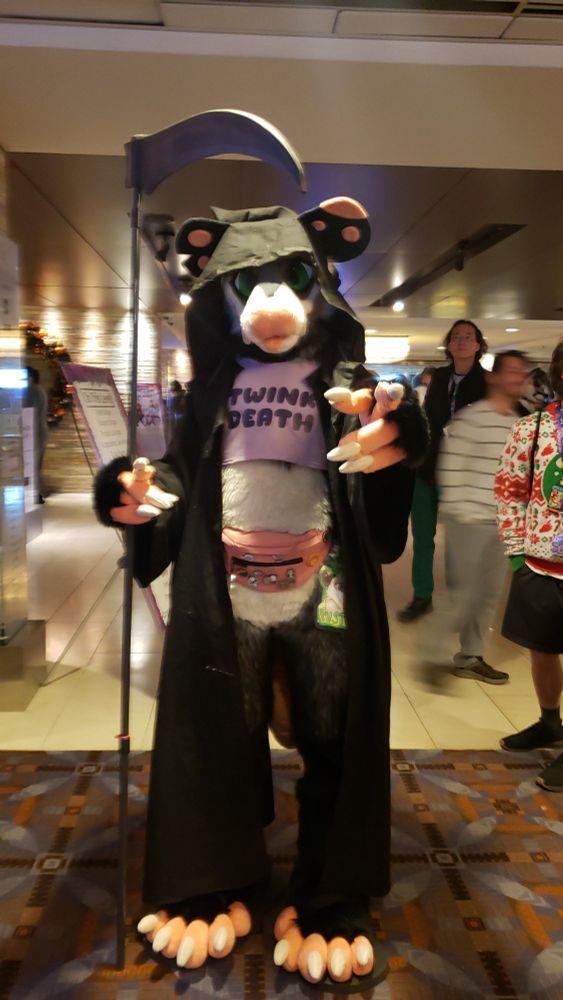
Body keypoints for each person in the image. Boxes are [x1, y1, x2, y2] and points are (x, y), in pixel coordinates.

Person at [431, 350, 529, 682]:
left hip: (501, 523)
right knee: (463, 594)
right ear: (493, 376)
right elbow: (451, 467)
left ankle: (470, 657)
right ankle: (426, 654)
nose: (517, 377)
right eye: (511, 371)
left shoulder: (518, 425)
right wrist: (458, 512)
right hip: (469, 520)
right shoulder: (471, 418)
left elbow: (520, 475)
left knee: (487, 595)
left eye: (521, 372)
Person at [495, 338, 563, 790]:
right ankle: (549, 720)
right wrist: (518, 553)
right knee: (542, 648)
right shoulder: (533, 429)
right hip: (540, 563)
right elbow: (509, 490)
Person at [397, 320, 488, 623]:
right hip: (427, 468)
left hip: (463, 475)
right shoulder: (438, 377)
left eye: (468, 337)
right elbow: (430, 420)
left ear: (478, 345)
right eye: (456, 337)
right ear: (449, 345)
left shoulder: (486, 382)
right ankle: (422, 597)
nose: (462, 341)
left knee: (458, 544)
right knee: (423, 537)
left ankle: (457, 601)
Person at [24, 365, 48, 504]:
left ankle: (34, 493)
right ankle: (36, 493)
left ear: (30, 378)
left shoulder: (32, 390)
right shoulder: (39, 390)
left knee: (32, 464)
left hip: (33, 432)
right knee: (36, 465)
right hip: (39, 431)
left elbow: (27, 411)